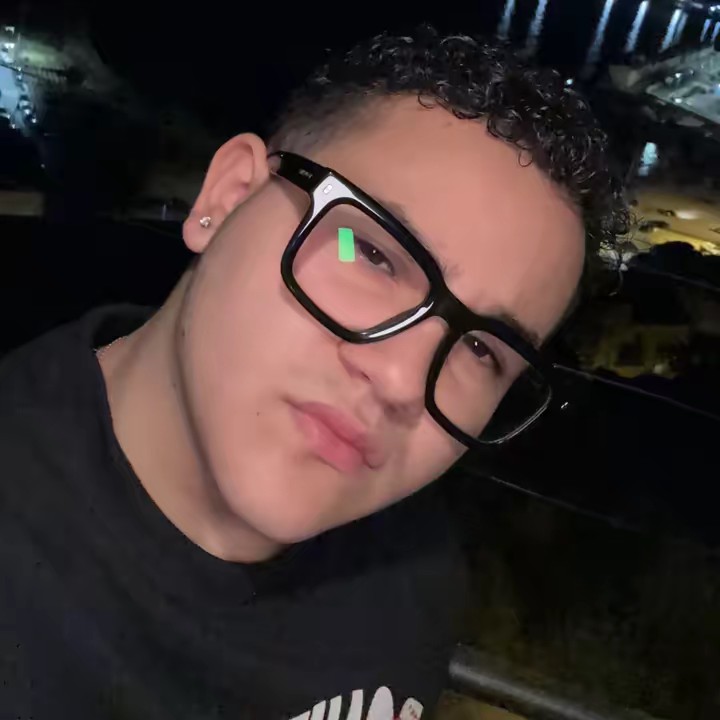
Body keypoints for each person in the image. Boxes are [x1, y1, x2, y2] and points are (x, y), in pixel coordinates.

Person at [0, 25, 628, 720]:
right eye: (372, 253)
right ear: (227, 197)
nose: (402, 381)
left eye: (483, 351)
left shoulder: (414, 576)